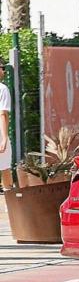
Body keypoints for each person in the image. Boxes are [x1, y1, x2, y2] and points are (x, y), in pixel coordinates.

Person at [0, 61, 12, 191]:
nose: (4, 71)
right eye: (2, 68)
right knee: (4, 167)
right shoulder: (2, 89)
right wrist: (4, 138)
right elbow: (2, 114)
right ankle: (10, 197)